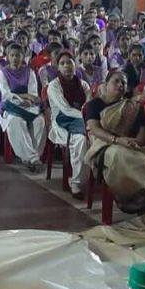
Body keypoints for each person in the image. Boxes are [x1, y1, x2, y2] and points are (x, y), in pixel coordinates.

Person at [84, 70, 145, 216]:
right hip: (103, 147)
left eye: (124, 83)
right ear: (106, 84)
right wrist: (117, 140)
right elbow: (95, 129)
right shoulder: (95, 104)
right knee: (119, 154)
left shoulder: (132, 106)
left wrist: (135, 142)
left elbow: (142, 132)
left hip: (130, 146)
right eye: (116, 81)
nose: (120, 85)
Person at [0, 43, 47, 172]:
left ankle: (31, 158)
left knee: (40, 121)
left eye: (18, 55)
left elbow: (33, 94)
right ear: (8, 57)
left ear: (23, 57)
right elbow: (6, 95)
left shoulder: (29, 72)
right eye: (12, 55)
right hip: (10, 107)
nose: (15, 58)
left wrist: (29, 99)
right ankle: (32, 158)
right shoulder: (3, 73)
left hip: (29, 106)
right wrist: (24, 96)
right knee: (16, 122)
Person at [46, 51, 91, 198]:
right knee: (79, 139)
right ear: (58, 68)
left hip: (82, 120)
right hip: (61, 121)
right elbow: (65, 109)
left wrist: (89, 119)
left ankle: (92, 175)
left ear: (75, 64)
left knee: (95, 137)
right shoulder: (54, 86)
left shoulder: (83, 85)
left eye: (69, 62)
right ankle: (76, 182)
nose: (67, 66)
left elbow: (88, 104)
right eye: (62, 63)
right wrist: (85, 118)